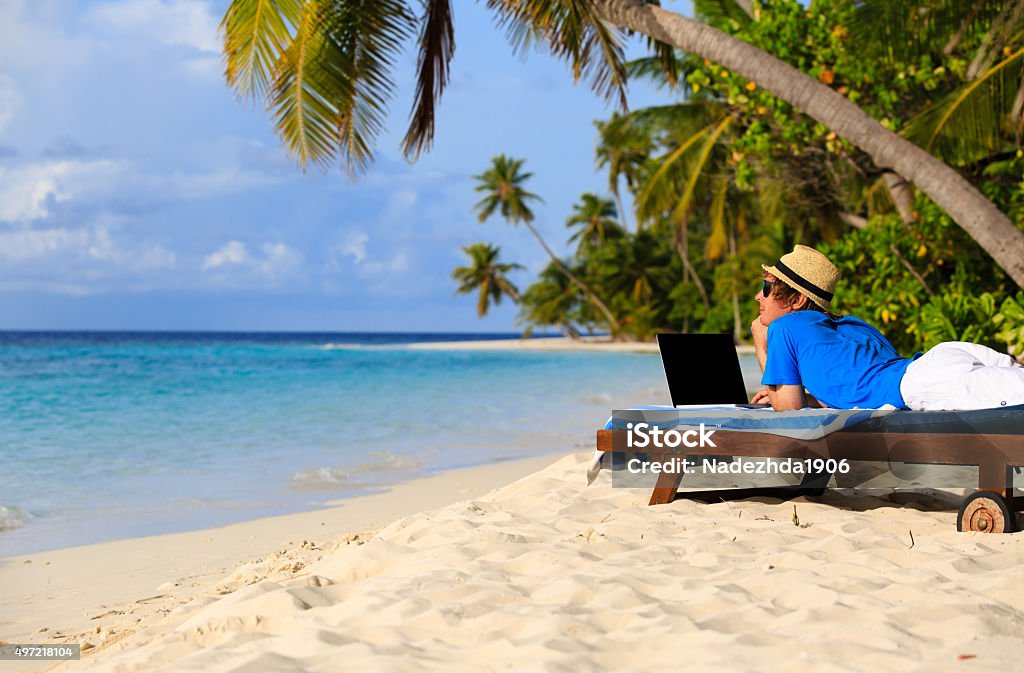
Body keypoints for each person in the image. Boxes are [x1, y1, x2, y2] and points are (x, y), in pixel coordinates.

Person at [750, 245, 1024, 411]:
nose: (758, 296)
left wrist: (762, 348)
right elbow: (854, 388)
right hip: (938, 361)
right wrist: (806, 397)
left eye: (767, 287)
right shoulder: (851, 326)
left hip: (926, 383)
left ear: (797, 300)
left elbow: (789, 413)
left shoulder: (784, 327)